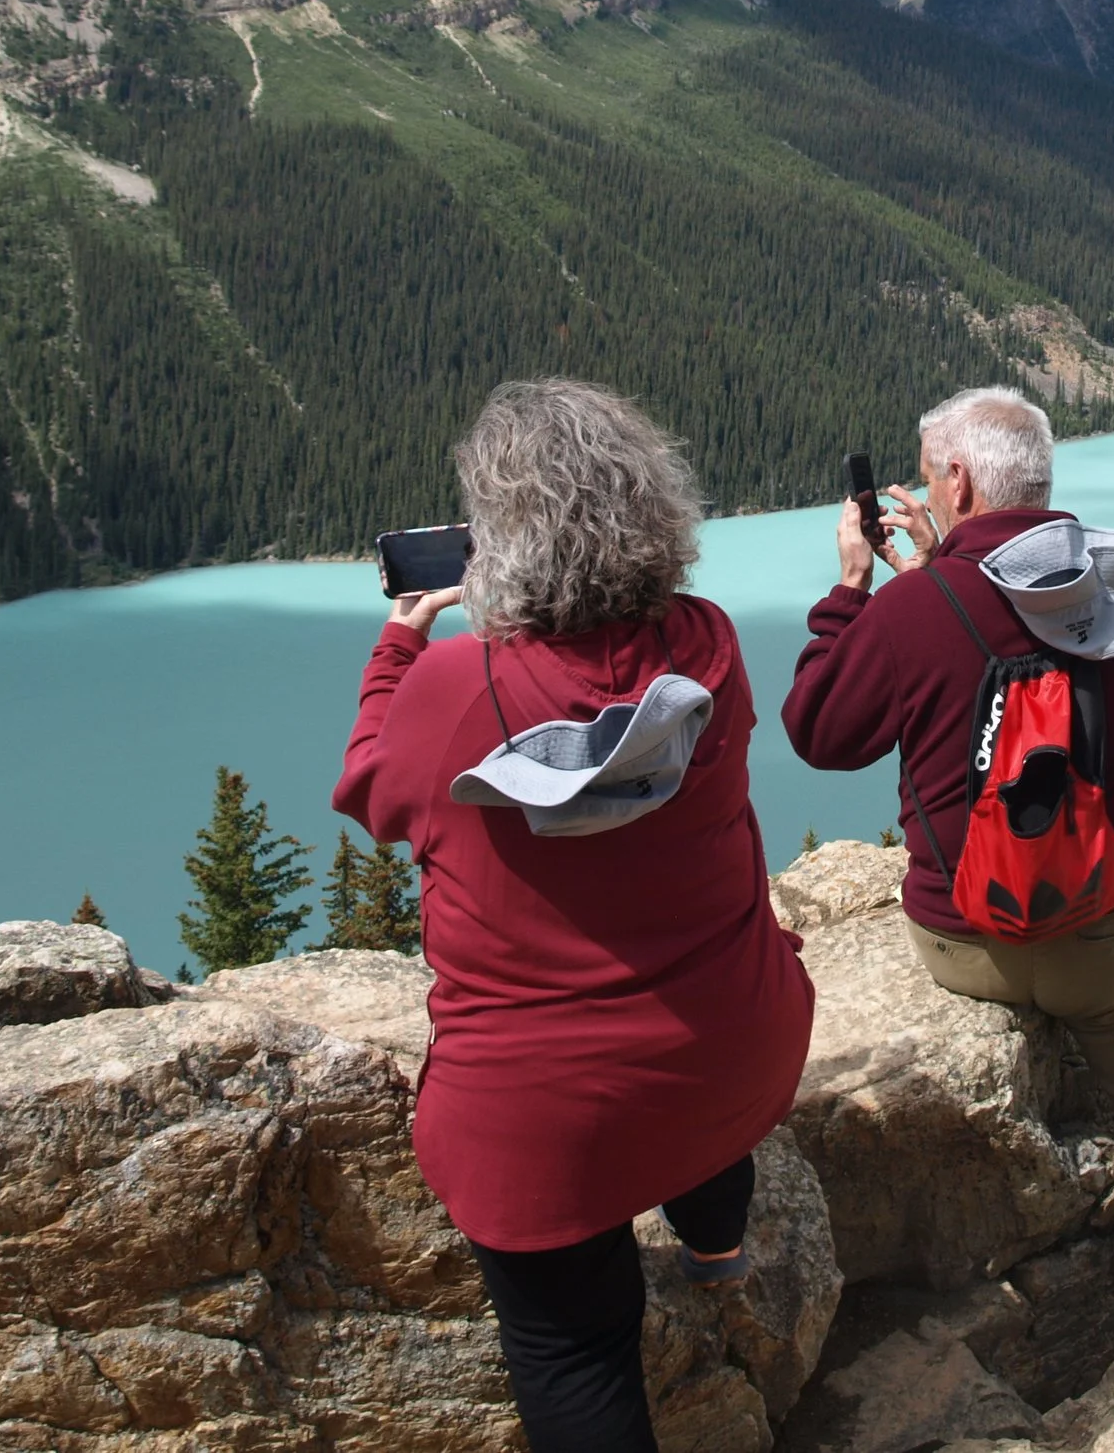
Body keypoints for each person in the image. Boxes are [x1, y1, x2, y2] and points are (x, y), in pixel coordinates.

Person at [333, 380, 814, 1453]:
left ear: (494, 544)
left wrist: (400, 646)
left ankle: (685, 1264)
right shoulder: (707, 646)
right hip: (735, 1047)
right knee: (693, 1061)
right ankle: (717, 1249)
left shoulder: (457, 688)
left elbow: (372, 791)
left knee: (574, 1351)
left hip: (540, 1130)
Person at [781, 386, 1114, 1312]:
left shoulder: (919, 605)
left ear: (956, 478)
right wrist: (934, 574)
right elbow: (1028, 630)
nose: (924, 492)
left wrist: (855, 593)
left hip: (969, 943)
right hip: (1111, 939)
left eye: (928, 477)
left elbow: (820, 731)